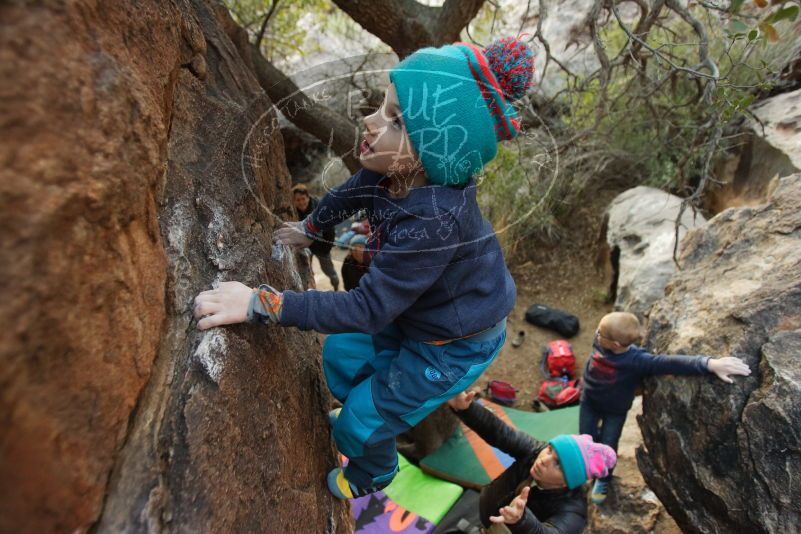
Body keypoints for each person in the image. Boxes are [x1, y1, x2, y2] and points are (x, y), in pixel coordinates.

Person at [192, 36, 534, 499]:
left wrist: (260, 303)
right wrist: (312, 226)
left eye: (395, 119)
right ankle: (369, 411)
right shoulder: (395, 169)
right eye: (382, 106)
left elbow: (369, 308)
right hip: (416, 317)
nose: (371, 121)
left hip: (451, 345)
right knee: (339, 359)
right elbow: (350, 194)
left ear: (434, 153)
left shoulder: (434, 220)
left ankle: (373, 469)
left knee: (357, 429)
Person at [580, 311, 751, 504]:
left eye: (600, 333)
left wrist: (710, 364)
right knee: (587, 437)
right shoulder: (601, 341)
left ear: (616, 344)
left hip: (614, 410)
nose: (596, 335)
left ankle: (603, 477)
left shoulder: (637, 360)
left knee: (607, 444)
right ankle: (588, 466)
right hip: (589, 401)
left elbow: (670, 363)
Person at [447, 391, 617, 534]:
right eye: (550, 450)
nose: (544, 460)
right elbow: (500, 432)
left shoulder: (573, 510)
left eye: (558, 464)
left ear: (567, 482)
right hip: (487, 515)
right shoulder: (535, 452)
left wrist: (521, 520)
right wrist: (467, 409)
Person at [291, 183, 340, 291]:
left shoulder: (320, 208)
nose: (301, 202)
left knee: (328, 269)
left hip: (321, 244)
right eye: (298, 200)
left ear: (308, 197)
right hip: (306, 245)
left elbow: (330, 229)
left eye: (303, 199)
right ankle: (311, 289)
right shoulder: (294, 211)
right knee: (306, 269)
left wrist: (327, 248)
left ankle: (335, 284)